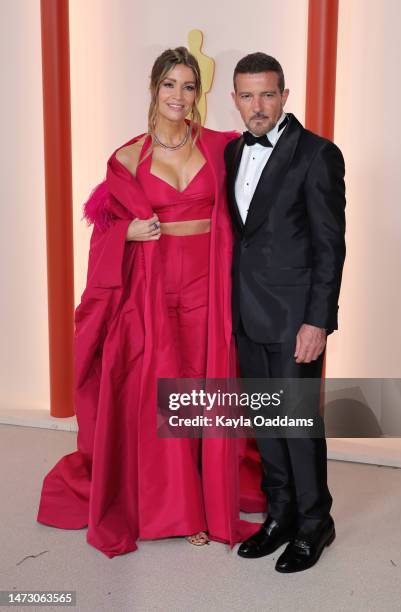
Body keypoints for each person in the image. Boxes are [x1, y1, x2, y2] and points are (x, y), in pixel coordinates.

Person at [37, 47, 264, 558]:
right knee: (164, 391)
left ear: (200, 94)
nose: (179, 96)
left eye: (189, 86)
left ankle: (208, 499)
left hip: (209, 288)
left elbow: (265, 176)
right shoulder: (126, 157)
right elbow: (104, 229)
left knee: (204, 391)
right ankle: (177, 507)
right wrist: (126, 234)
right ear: (154, 88)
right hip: (154, 293)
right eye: (170, 85)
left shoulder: (222, 148)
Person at [224, 53, 346, 573]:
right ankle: (281, 513)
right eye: (247, 96)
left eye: (267, 94)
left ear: (285, 96)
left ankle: (316, 522)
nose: (257, 106)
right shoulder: (232, 152)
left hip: (297, 318)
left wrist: (317, 321)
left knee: (297, 423)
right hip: (247, 314)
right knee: (265, 421)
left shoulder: (318, 154)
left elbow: (330, 245)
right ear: (234, 99)